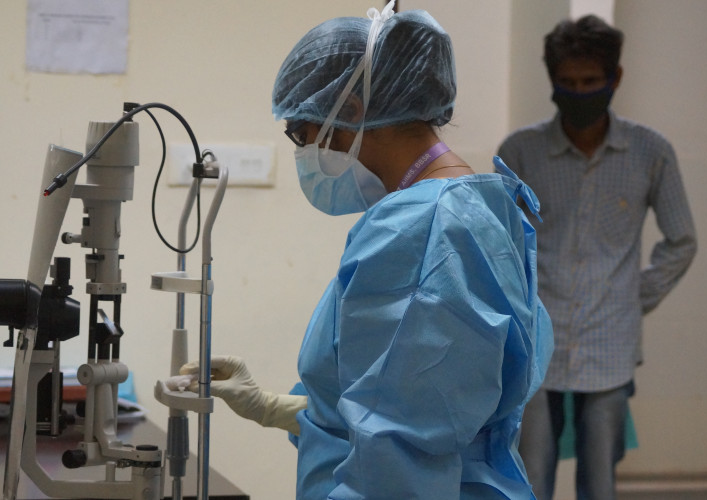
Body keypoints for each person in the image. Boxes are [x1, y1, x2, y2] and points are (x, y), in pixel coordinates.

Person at [177, 2, 553, 498]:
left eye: (302, 132)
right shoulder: (473, 207)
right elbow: (402, 406)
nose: (304, 151)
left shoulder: (425, 232)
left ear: (351, 111)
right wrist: (271, 406)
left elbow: (397, 459)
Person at [495, 15, 697, 500]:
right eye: (566, 83)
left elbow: (682, 240)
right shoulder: (520, 152)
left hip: (610, 341)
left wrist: (633, 297)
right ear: (552, 81)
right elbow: (497, 244)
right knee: (530, 475)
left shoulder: (651, 152)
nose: (578, 92)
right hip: (536, 341)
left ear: (615, 79)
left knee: (600, 481)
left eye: (590, 82)